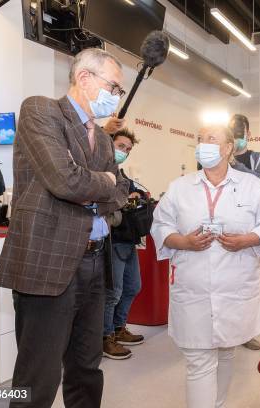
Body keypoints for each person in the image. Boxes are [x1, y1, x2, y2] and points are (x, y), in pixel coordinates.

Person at [0, 48, 130, 408]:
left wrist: (94, 186)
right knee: (38, 378)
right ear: (85, 78)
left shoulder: (101, 138)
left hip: (95, 263)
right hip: (48, 262)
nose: (116, 98)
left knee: (87, 368)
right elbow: (64, 181)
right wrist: (98, 183)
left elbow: (119, 192)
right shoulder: (41, 110)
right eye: (114, 87)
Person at [151, 125, 260, 408]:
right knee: (199, 361)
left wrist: (248, 239)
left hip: (235, 287)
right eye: (199, 139)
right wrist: (184, 242)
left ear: (228, 148)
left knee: (225, 352)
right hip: (193, 288)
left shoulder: (251, 186)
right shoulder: (180, 187)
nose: (202, 144)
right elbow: (160, 225)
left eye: (211, 139)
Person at [103, 127, 146, 360]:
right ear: (107, 143)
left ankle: (119, 328)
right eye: (121, 146)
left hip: (128, 239)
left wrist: (138, 196)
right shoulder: (98, 171)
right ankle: (105, 336)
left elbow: (136, 191)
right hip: (112, 239)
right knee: (113, 292)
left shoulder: (120, 174)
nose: (124, 152)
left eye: (128, 149)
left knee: (132, 287)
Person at [228, 113, 260, 351]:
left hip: (247, 230)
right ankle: (225, 330)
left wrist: (236, 165)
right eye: (233, 136)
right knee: (224, 284)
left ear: (248, 135)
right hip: (223, 226)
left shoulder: (258, 158)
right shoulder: (220, 155)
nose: (237, 140)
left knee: (246, 287)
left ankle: (245, 333)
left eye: (241, 136)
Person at [228, 114, 260, 184]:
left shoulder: (259, 158)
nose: (236, 137)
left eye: (239, 133)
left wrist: (234, 163)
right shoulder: (222, 157)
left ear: (248, 134)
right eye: (233, 133)